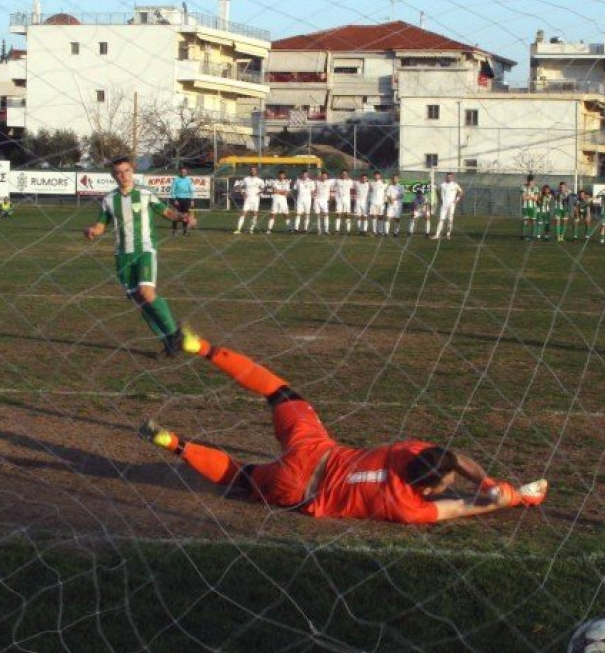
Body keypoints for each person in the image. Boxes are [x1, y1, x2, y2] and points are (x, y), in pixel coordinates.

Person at [140, 326, 548, 523]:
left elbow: (454, 460)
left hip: (314, 449)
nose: (451, 481)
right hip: (299, 490)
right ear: (425, 489)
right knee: (241, 477)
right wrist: (512, 495)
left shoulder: (406, 450)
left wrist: (487, 479)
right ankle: (171, 441)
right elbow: (465, 505)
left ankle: (203, 347)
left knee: (279, 392)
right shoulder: (407, 506)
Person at [83, 157, 194, 356]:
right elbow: (100, 225)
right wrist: (91, 230)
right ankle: (168, 343)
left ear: (132, 172)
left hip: (145, 249)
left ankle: (173, 334)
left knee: (147, 293)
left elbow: (166, 212)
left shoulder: (145, 193)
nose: (123, 175)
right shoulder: (109, 199)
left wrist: (183, 217)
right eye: (118, 172)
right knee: (140, 302)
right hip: (122, 255)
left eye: (126, 171)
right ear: (113, 176)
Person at [233, 166, 265, 235]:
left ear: (256, 171)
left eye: (254, 170)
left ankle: (251, 229)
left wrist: (260, 192)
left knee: (255, 214)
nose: (253, 171)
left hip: (256, 199)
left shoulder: (260, 180)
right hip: (247, 199)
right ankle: (238, 229)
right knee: (243, 213)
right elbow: (238, 185)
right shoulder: (246, 179)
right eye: (251, 170)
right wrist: (242, 192)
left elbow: (263, 188)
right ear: (250, 171)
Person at [433, 172, 462, 239]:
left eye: (450, 177)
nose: (449, 178)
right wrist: (440, 200)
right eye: (447, 177)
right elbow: (437, 191)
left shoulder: (455, 185)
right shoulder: (442, 185)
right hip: (444, 205)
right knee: (441, 219)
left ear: (452, 178)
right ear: (446, 177)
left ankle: (448, 235)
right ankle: (437, 235)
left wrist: (457, 199)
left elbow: (461, 192)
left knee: (450, 220)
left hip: (452, 205)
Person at [170, 166, 195, 237]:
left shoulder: (189, 180)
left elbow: (192, 190)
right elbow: (172, 190)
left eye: (185, 172)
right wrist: (174, 199)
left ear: (186, 172)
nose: (183, 173)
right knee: (175, 216)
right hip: (178, 199)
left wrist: (192, 200)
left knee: (185, 216)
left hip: (187, 199)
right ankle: (174, 231)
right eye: (182, 172)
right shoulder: (176, 180)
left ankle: (185, 231)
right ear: (180, 172)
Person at [333, 170, 355, 234]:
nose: (344, 175)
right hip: (339, 200)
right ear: (341, 174)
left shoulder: (350, 181)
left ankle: (348, 230)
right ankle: (337, 230)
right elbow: (332, 187)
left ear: (347, 175)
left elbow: (353, 189)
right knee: (338, 215)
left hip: (347, 200)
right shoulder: (337, 181)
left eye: (345, 174)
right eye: (343, 174)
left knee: (347, 215)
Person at [521, 176, 538, 241]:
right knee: (525, 221)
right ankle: (524, 235)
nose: (532, 182)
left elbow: (536, 199)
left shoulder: (536, 188)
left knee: (533, 221)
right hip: (525, 207)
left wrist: (528, 196)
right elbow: (523, 198)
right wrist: (532, 196)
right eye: (530, 181)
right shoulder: (523, 187)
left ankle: (533, 236)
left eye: (532, 181)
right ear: (527, 181)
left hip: (533, 207)